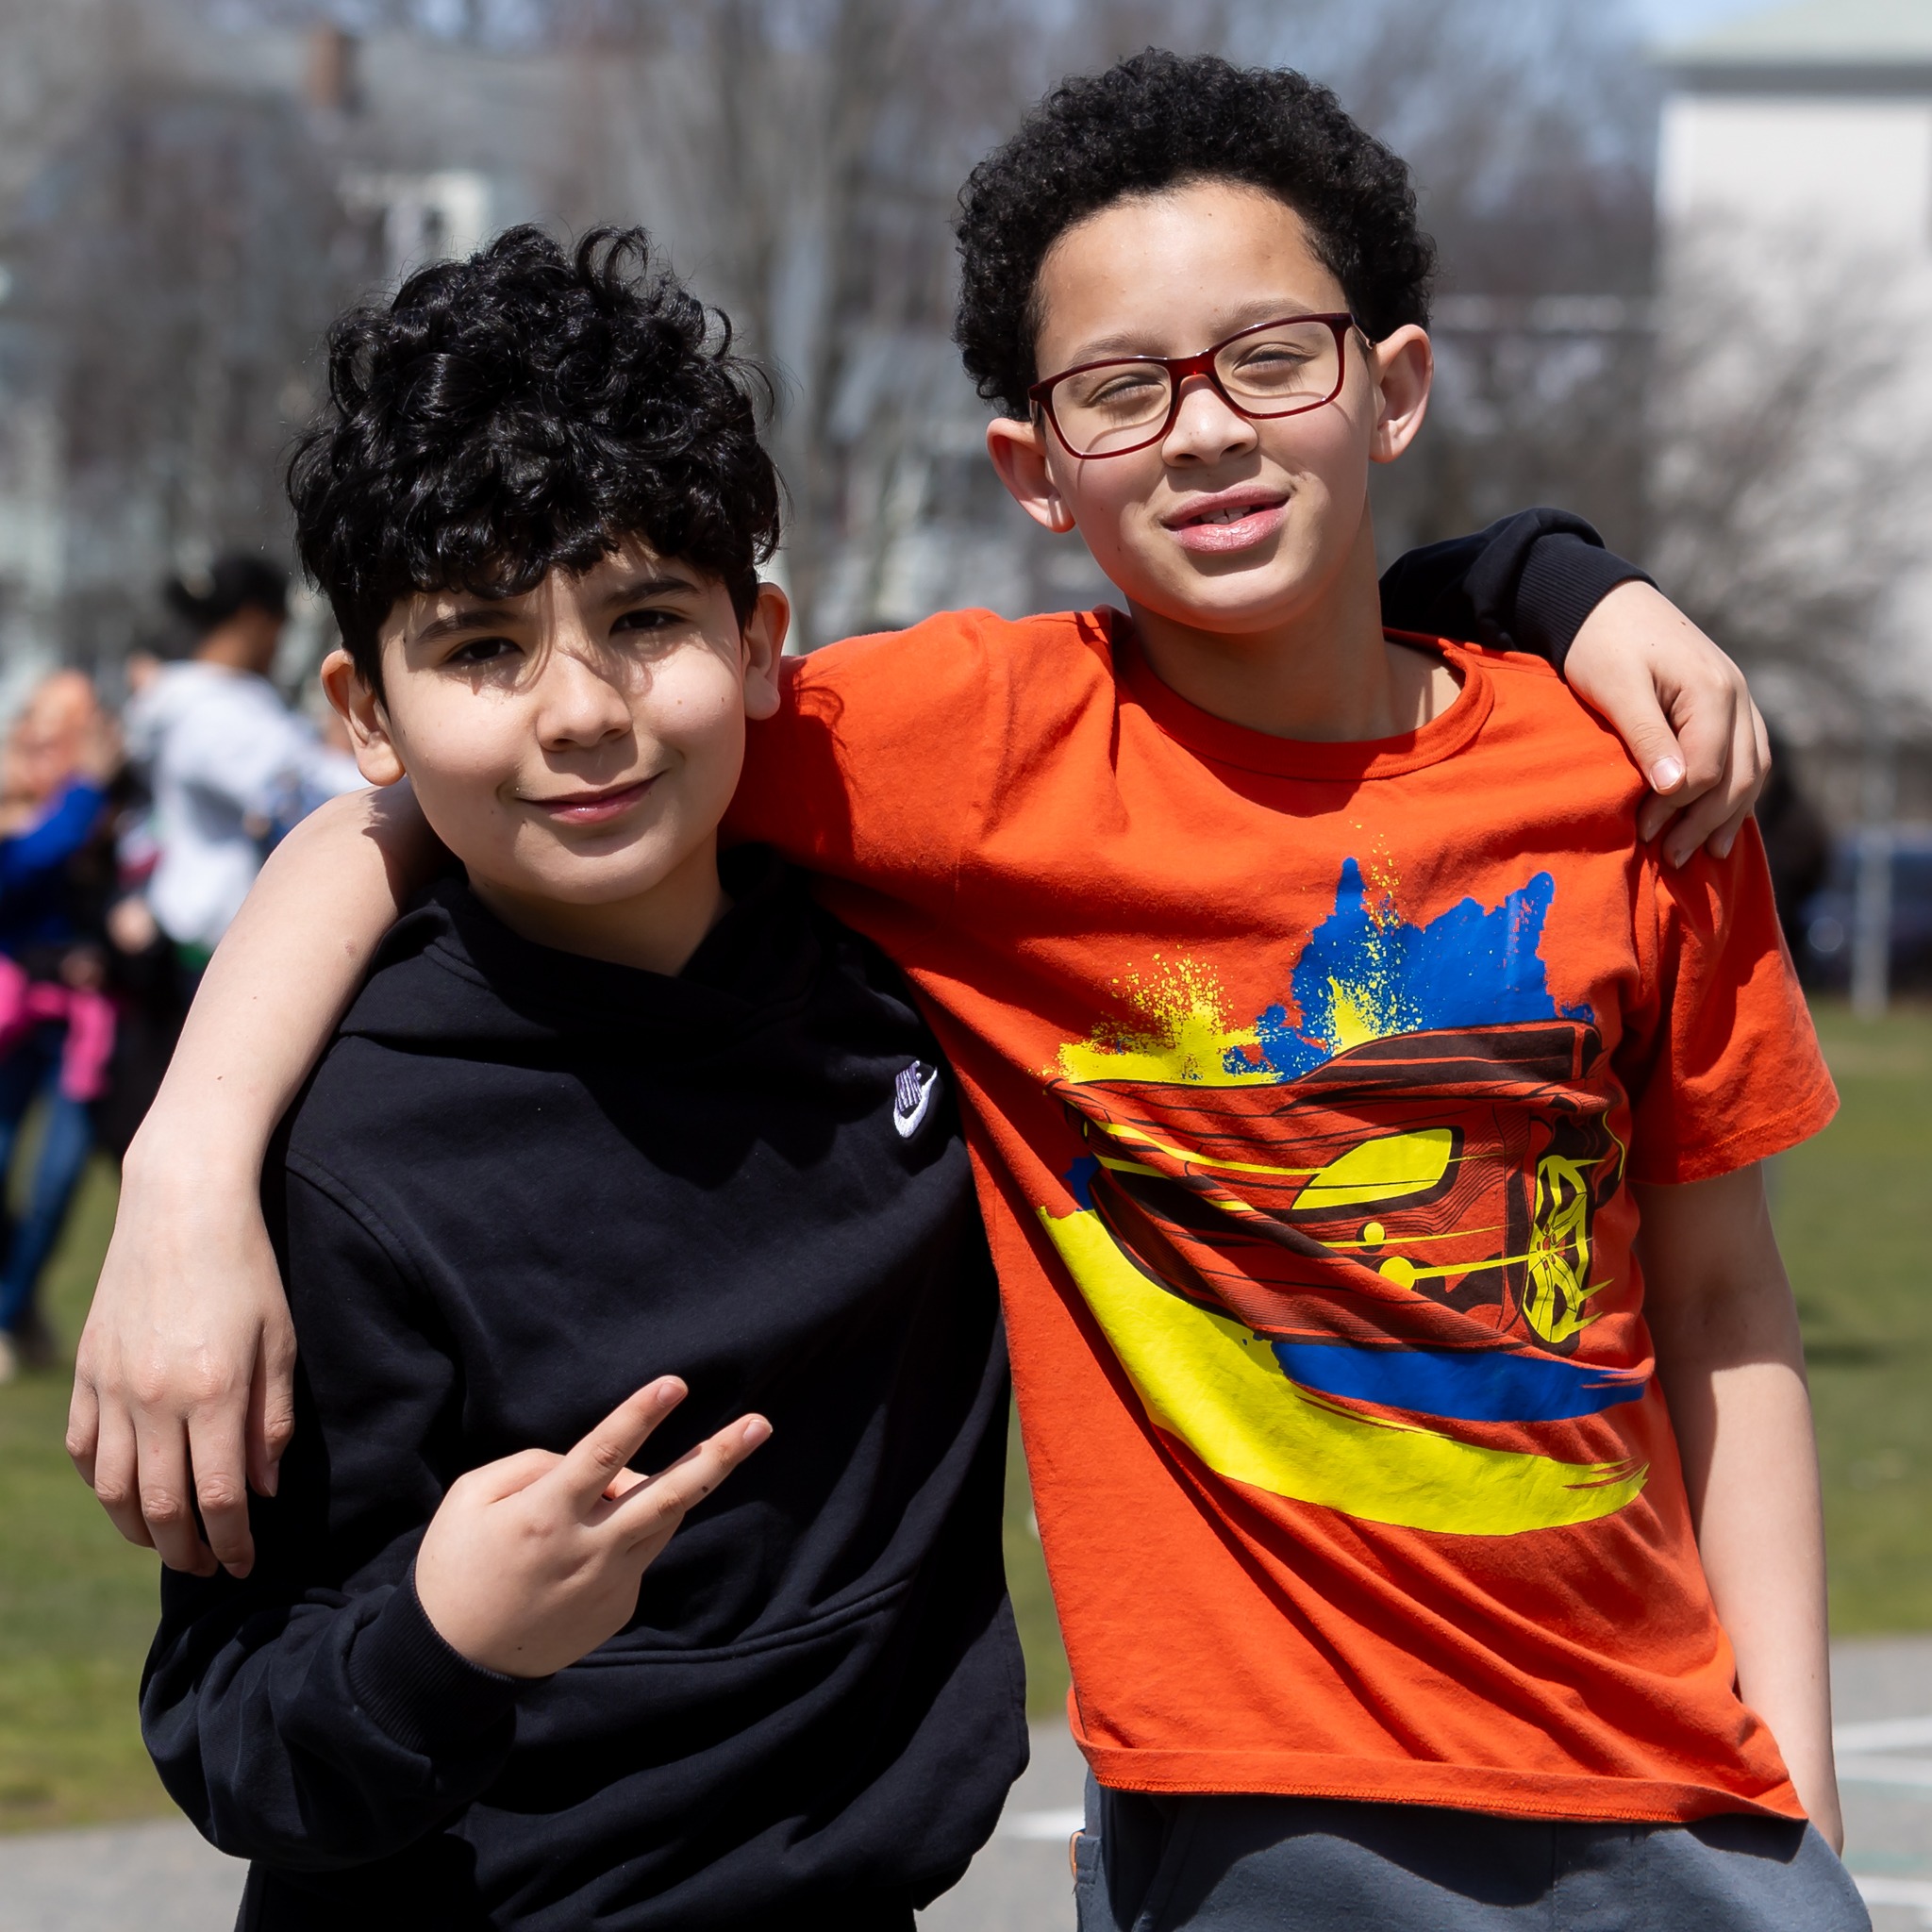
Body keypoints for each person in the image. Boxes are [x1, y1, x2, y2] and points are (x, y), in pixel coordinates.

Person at [69, 58, 1838, 1932]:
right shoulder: (947, 759)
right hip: (1236, 1827)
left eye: (1271, 360)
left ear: (1389, 382)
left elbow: (1730, 1297)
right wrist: (188, 1169)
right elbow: (449, 794)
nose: (1208, 431)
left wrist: (1561, 580)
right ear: (1036, 469)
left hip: (1658, 1795)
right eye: (1119, 389)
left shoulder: (1633, 768)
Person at [139, 233, 1020, 1928]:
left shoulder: (917, 991)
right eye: (478, 648)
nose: (583, 712)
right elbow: (229, 1734)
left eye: (643, 619)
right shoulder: (333, 1150)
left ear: (760, 640)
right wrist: (440, 1635)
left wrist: (1546, 587)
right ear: (363, 713)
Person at [123, 555, 363, 985]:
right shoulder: (211, 713)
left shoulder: (218, 700)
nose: (280, 642)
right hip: (213, 940)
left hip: (216, 927)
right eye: (280, 626)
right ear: (255, 619)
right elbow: (302, 794)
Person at [0, 673, 119, 1379]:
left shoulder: (107, 811)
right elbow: (20, 868)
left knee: (57, 1181)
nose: (45, 754)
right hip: (13, 1021)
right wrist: (85, 794)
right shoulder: (63, 811)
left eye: (62, 741)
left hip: (85, 1027)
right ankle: (16, 1310)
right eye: (34, 739)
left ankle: (11, 1313)